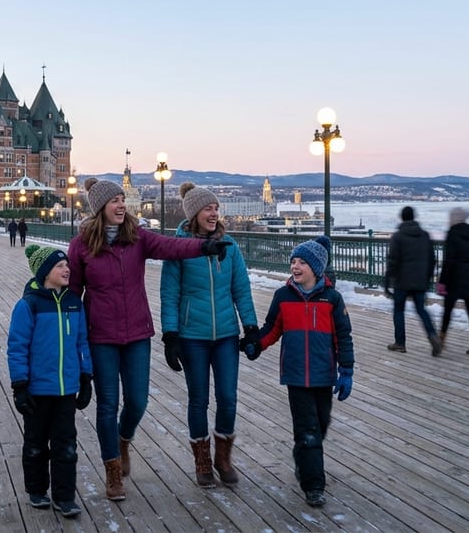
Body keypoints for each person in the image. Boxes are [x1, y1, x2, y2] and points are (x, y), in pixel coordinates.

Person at [67, 177, 231, 501]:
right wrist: (77, 357)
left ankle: (123, 440)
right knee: (107, 406)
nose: (120, 205)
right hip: (100, 336)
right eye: (114, 201)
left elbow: (171, 246)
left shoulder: (137, 237)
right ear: (100, 208)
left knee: (138, 402)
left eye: (121, 200)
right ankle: (113, 471)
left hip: (137, 334)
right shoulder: (82, 244)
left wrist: (204, 246)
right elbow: (73, 297)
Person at [160, 183, 258, 488]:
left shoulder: (228, 246)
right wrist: (170, 335)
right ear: (194, 214)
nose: (214, 213)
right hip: (193, 337)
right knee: (198, 399)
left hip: (226, 335)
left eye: (216, 208)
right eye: (207, 208)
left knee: (228, 398)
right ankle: (202, 460)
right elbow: (169, 293)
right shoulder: (179, 249)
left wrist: (251, 327)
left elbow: (241, 287)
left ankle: (223, 457)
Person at [244, 235, 354, 508]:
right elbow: (272, 328)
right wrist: (256, 345)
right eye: (293, 261)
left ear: (316, 268)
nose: (295, 266)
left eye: (302, 262)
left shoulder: (332, 299)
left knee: (321, 426)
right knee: (307, 431)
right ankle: (314, 485)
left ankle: (304, 461)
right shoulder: (283, 296)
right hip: (295, 375)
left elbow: (344, 335)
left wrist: (346, 370)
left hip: (323, 374)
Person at [8, 244, 93, 518]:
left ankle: (65, 496)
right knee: (35, 443)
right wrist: (20, 386)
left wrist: (85, 376)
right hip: (37, 389)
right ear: (45, 273)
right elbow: (17, 346)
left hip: (66, 389)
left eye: (67, 265)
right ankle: (36, 489)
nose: (67, 269)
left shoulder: (73, 302)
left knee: (65, 444)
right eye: (60, 266)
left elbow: (82, 342)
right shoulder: (29, 305)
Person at [385, 206, 441, 355]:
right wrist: (427, 279)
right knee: (421, 310)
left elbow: (392, 261)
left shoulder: (398, 236)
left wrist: (387, 281)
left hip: (401, 281)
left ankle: (400, 343)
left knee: (399, 311)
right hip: (420, 280)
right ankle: (432, 335)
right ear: (414, 217)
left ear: (402, 218)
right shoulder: (425, 235)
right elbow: (432, 260)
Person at [438, 207, 469, 355]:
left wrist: (442, 281)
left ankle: (440, 341)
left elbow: (449, 261)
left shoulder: (453, 234)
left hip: (454, 279)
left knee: (447, 311)